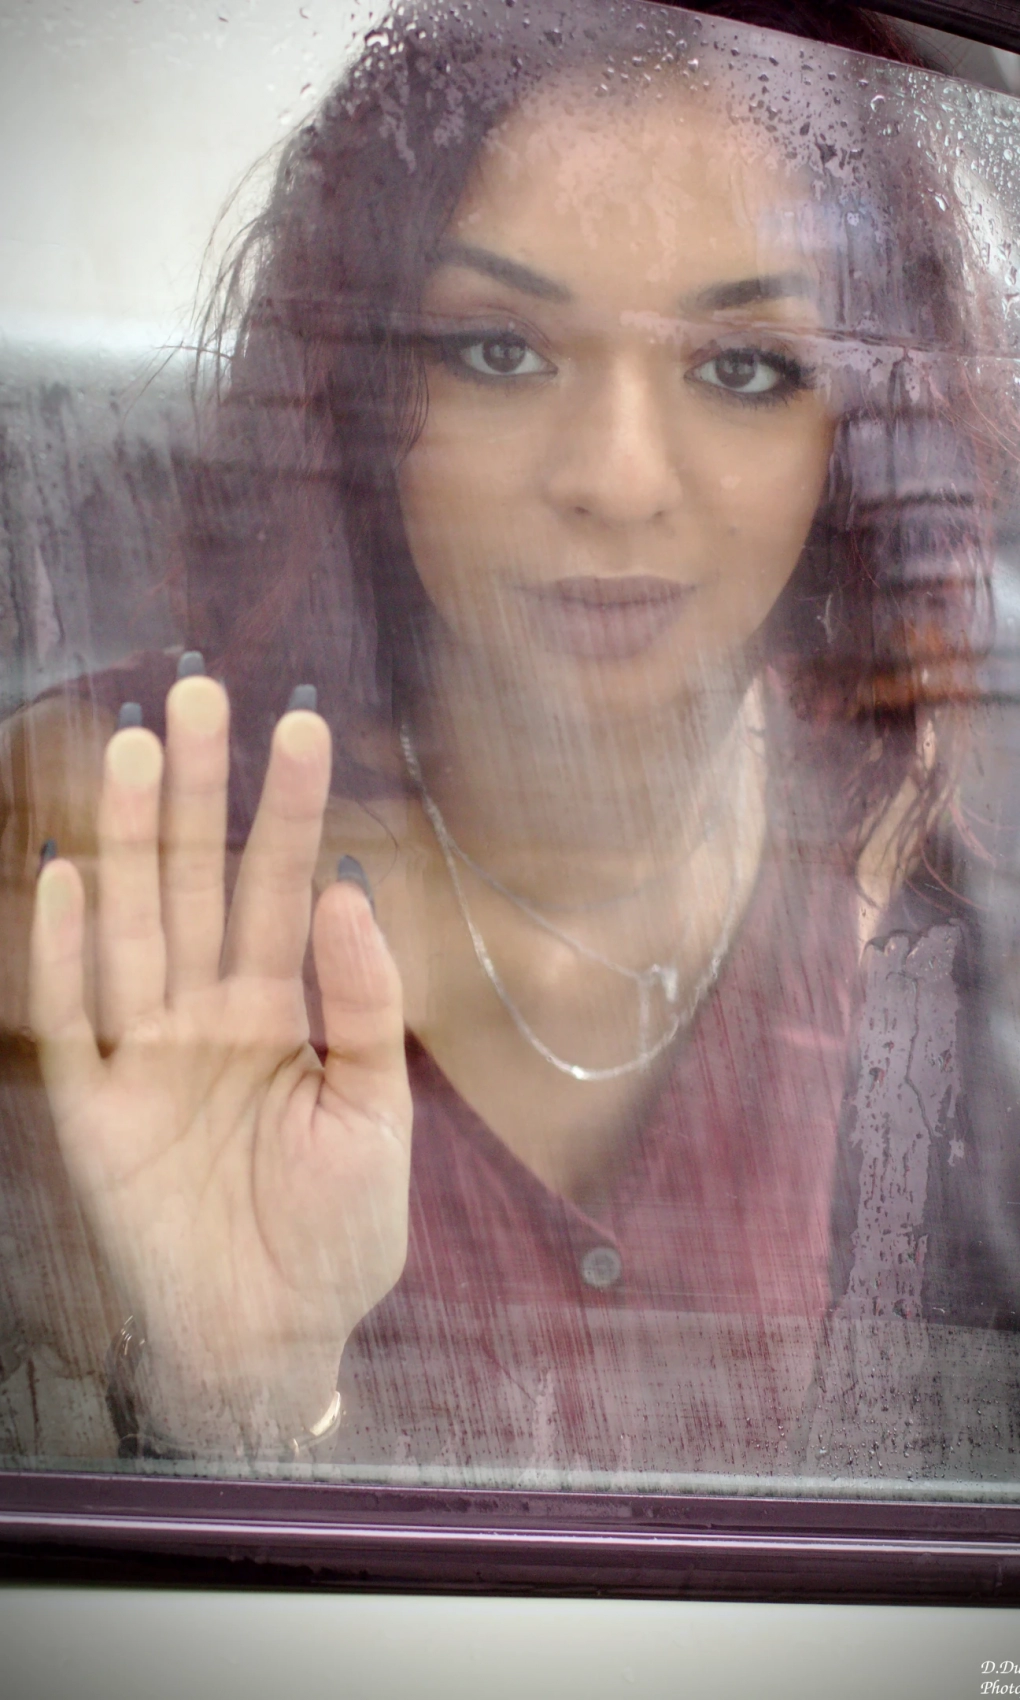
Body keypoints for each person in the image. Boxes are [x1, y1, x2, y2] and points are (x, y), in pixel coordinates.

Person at [2, 0, 1018, 1476]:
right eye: (496, 348)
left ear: (862, 437)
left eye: (742, 368)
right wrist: (237, 1405)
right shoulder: (96, 851)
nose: (613, 478)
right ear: (360, 396)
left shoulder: (948, 909)